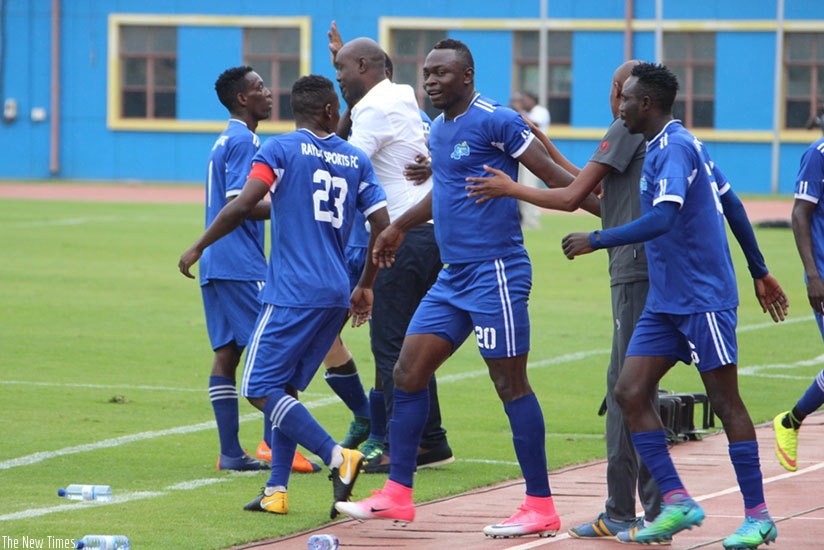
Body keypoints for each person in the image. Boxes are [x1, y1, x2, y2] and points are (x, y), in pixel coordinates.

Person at [335, 38, 600, 538]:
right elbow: (447, 190)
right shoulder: (437, 128)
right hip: (453, 275)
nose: (431, 81)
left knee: (509, 384)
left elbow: (562, 182)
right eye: (427, 73)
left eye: (442, 73)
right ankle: (398, 494)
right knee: (407, 371)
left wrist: (613, 220)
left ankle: (540, 504)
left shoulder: (498, 120)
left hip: (497, 271)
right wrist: (397, 226)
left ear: (468, 76)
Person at [561, 62, 788, 548]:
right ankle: (679, 502)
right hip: (666, 300)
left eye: (625, 99)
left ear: (646, 104)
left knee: (726, 403)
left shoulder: (676, 148)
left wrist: (598, 239)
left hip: (702, 298)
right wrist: (759, 268)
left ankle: (759, 515)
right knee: (629, 391)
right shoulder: (676, 144)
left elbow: (664, 218)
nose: (618, 105)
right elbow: (733, 204)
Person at [178, 74, 391, 517]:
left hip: (292, 293)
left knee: (257, 387)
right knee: (287, 388)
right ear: (331, 112)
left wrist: (200, 244)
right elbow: (384, 227)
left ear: (296, 111)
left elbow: (240, 205)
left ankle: (337, 456)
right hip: (336, 292)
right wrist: (366, 283)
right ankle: (276, 490)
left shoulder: (278, 149)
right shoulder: (355, 159)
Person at [469, 60, 664, 540]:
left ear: (623, 91)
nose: (614, 99)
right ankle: (638, 508)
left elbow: (575, 194)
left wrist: (511, 187)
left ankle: (635, 510)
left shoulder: (624, 127)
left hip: (634, 270)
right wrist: (546, 145)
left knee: (628, 390)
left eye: (614, 90)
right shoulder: (638, 134)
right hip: (639, 267)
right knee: (631, 386)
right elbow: (600, 194)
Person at [329, 25, 453, 474]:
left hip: (402, 236)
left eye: (342, 69)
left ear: (363, 66)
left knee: (391, 346)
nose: (338, 78)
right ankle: (431, 440)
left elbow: (342, 162)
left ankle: (403, 444)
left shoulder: (374, 109)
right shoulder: (399, 95)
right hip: (430, 233)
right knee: (412, 343)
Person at [199, 66, 270, 472]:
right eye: (259, 87)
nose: (268, 92)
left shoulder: (225, 138)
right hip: (240, 263)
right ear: (242, 99)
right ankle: (277, 446)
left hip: (216, 261)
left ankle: (230, 453)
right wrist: (291, 203)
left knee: (227, 353)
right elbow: (241, 204)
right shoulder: (244, 140)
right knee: (273, 350)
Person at [774, 135, 824, 472]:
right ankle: (791, 421)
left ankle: (791, 421)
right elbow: (799, 214)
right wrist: (813, 276)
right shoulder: (818, 155)